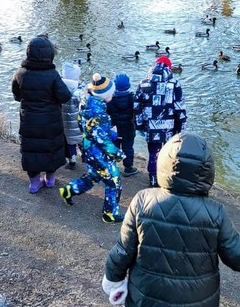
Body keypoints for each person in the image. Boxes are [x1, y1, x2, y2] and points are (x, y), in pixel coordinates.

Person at [103, 133, 240, 306]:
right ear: (206, 170)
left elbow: (122, 251)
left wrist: (113, 281)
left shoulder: (142, 200)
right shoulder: (215, 213)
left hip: (145, 299)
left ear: (164, 163)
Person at [59, 73, 125, 223]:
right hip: (99, 153)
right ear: (104, 95)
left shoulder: (86, 103)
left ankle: (70, 190)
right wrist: (118, 154)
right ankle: (110, 214)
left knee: (94, 176)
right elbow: (103, 141)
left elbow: (81, 125)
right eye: (111, 92)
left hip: (88, 149)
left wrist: (99, 134)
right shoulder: (99, 114)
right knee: (114, 181)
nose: (113, 94)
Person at [11, 36, 72, 193]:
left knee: (31, 150)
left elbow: (17, 95)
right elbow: (65, 96)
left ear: (28, 53)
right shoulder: (53, 75)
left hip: (29, 120)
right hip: (50, 121)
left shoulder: (20, 73)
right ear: (50, 54)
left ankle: (34, 183)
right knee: (51, 149)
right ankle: (50, 180)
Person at [134, 56, 187, 187]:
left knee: (153, 152)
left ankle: (153, 179)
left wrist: (139, 126)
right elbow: (180, 108)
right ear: (169, 68)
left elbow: (136, 107)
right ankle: (166, 179)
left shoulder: (143, 83)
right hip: (170, 128)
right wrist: (181, 129)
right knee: (169, 152)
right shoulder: (174, 84)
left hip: (150, 127)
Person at [107, 73, 137, 176]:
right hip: (128, 128)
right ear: (128, 85)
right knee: (128, 148)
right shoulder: (132, 98)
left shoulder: (111, 99)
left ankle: (112, 168)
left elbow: (107, 112)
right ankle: (128, 168)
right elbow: (136, 112)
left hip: (115, 128)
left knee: (114, 148)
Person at [60, 63, 84, 170]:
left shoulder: (60, 88)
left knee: (70, 142)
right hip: (77, 121)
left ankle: (72, 161)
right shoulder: (79, 90)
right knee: (81, 140)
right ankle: (86, 158)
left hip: (65, 122)